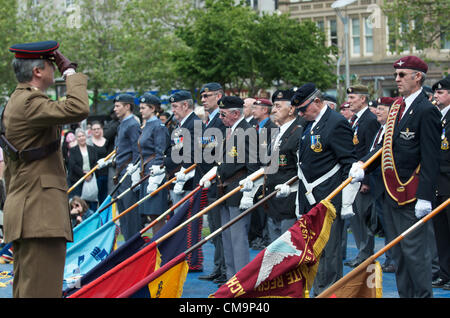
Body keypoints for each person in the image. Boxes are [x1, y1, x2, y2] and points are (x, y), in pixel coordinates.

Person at [2, 41, 89, 297]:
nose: (56, 67)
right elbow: (79, 108)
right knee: (41, 292)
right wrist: (70, 73)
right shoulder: (30, 102)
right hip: (38, 213)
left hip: (30, 211)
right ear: (38, 71)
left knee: (30, 290)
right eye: (51, 63)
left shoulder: (19, 100)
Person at [352, 56, 441, 297]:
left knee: (415, 255)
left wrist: (425, 197)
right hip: (391, 194)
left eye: (402, 75)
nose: (397, 79)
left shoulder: (426, 110)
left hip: (412, 195)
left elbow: (431, 158)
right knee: (399, 255)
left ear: (418, 77)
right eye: (396, 75)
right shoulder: (398, 108)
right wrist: (364, 166)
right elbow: (384, 148)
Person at [277, 83, 358, 296]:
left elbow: (348, 164)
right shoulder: (308, 124)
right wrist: (291, 186)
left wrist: (345, 201)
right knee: (314, 251)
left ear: (318, 102)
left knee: (330, 253)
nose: (301, 114)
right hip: (309, 198)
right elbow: (306, 164)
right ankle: (318, 291)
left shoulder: (336, 123)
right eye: (299, 111)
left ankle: (329, 293)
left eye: (303, 109)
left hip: (329, 199)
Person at [204, 95, 258, 281]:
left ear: (236, 113)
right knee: (227, 237)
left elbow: (253, 165)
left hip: (238, 189)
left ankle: (241, 280)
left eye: (223, 114)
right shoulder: (231, 130)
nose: (220, 118)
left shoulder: (247, 131)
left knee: (237, 238)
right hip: (224, 189)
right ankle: (230, 277)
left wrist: (248, 192)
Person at [344, 85, 380, 268]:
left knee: (363, 217)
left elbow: (371, 151)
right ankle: (361, 251)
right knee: (355, 217)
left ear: (363, 99)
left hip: (364, 178)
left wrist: (365, 180)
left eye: (353, 98)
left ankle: (366, 253)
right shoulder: (356, 120)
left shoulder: (370, 120)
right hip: (353, 177)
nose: (349, 101)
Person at [264, 89, 304, 243]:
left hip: (289, 200)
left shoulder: (299, 131)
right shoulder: (276, 132)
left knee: (287, 249)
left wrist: (292, 187)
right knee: (274, 250)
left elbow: (302, 169)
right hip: (272, 199)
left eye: (278, 106)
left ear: (292, 109)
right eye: (274, 106)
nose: (273, 110)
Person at [99, 94, 141, 241]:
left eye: (118, 106)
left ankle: (134, 246)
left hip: (128, 174)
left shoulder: (132, 124)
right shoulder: (123, 123)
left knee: (130, 215)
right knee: (123, 212)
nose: (115, 109)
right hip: (120, 173)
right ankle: (128, 247)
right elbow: (121, 148)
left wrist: (135, 169)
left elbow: (137, 149)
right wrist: (109, 159)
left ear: (127, 106)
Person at [197, 83, 227, 285]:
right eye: (202, 96)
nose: (203, 99)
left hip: (217, 180)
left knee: (220, 228)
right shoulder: (210, 120)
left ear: (218, 96)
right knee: (215, 227)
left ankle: (224, 269)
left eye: (207, 95)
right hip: (208, 180)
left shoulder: (221, 119)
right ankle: (219, 267)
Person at [135, 93, 170, 235]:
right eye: (140, 107)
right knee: (150, 214)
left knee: (157, 214)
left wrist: (156, 177)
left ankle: (161, 247)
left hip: (155, 173)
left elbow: (160, 151)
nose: (141, 110)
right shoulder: (147, 126)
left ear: (152, 108)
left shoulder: (158, 126)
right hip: (146, 171)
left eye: (144, 108)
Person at [248, 98, 277, 250]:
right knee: (255, 209)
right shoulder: (253, 127)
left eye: (256, 107)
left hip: (264, 174)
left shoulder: (272, 129)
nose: (253, 110)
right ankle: (255, 237)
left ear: (265, 110)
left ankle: (264, 238)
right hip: (252, 173)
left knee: (263, 209)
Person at [431, 75, 450, 290]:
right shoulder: (439, 118)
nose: (436, 96)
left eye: (441, 92)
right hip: (438, 183)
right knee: (442, 234)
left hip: (448, 182)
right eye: (436, 92)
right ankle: (445, 273)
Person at [68, 128, 98, 211]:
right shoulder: (73, 150)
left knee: (92, 202)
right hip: (78, 180)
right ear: (76, 139)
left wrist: (90, 174)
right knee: (79, 203)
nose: (81, 138)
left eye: (82, 136)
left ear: (86, 136)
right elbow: (72, 165)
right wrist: (84, 175)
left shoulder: (92, 149)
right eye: (79, 136)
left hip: (91, 179)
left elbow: (95, 162)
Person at [90, 121, 109, 205]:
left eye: (98, 129)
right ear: (91, 131)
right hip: (95, 175)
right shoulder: (89, 143)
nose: (96, 131)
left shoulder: (107, 141)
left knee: (105, 198)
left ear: (101, 129)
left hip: (107, 173)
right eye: (94, 129)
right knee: (95, 198)